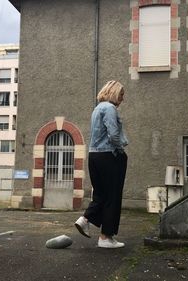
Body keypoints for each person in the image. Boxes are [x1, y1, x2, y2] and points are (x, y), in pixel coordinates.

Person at [74, 80, 128, 249]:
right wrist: (120, 150)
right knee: (112, 196)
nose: (122, 99)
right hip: (108, 156)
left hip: (94, 156)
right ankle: (105, 238)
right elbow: (113, 135)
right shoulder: (110, 109)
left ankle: (85, 219)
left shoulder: (97, 109)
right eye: (121, 95)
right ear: (113, 93)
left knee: (101, 194)